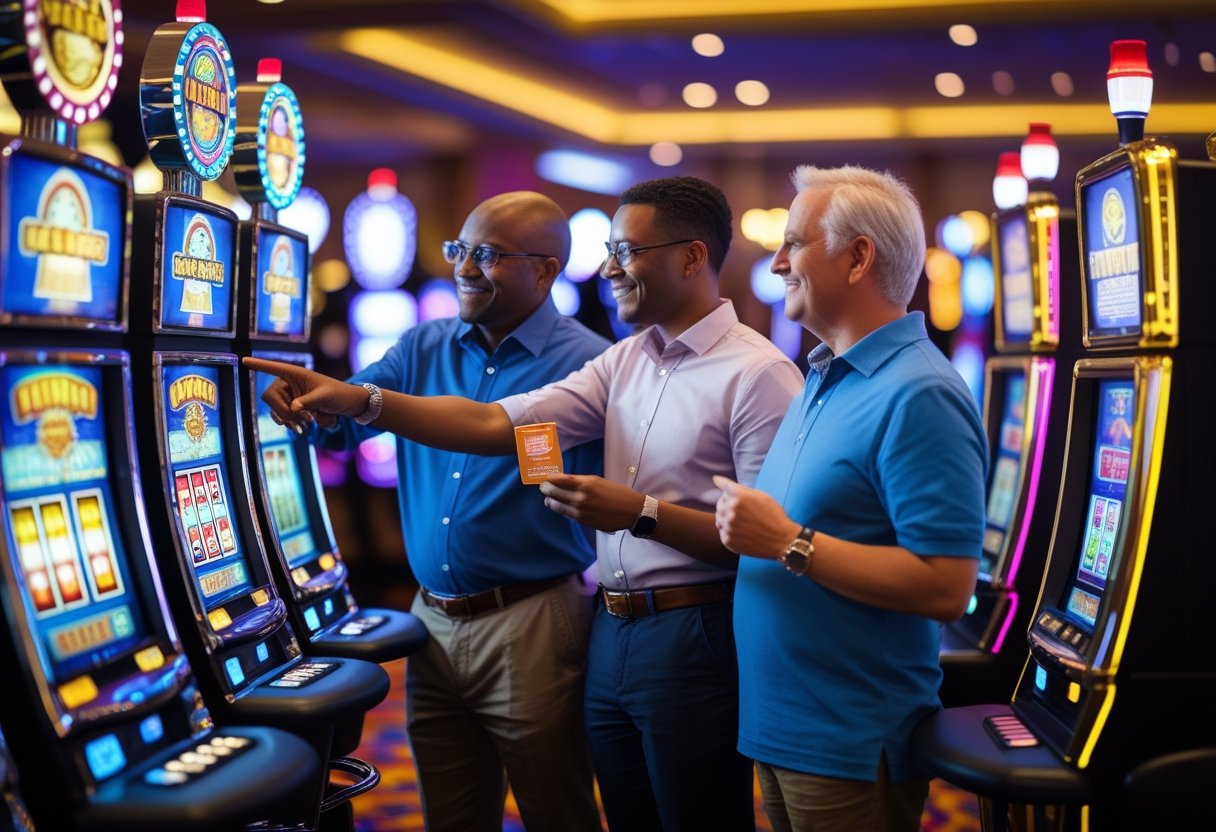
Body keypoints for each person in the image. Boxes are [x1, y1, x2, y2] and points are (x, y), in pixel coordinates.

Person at [247, 176, 805, 831]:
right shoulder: (622, 361)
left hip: (627, 620)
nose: (610, 268)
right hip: (568, 622)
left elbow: (770, 539)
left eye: (628, 251)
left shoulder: (743, 370)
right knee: (622, 813)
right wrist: (345, 401)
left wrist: (635, 512)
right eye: (610, 249)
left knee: (667, 814)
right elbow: (489, 425)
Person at [271, 191, 611, 832]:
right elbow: (341, 425)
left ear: (544, 269)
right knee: (450, 817)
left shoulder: (589, 362)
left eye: (487, 254)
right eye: (459, 249)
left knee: (555, 812)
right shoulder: (422, 344)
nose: (464, 267)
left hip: (532, 617)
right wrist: (300, 405)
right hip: (429, 620)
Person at [712, 165, 988, 832]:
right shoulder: (824, 375)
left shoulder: (919, 392)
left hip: (849, 739)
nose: (775, 263)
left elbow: (945, 586)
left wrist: (785, 542)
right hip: (784, 727)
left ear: (858, 256)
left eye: (793, 243)